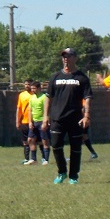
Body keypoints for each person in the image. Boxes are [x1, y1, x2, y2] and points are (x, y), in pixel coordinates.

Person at [43, 47, 92, 184]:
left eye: (69, 56)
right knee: (56, 145)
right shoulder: (55, 77)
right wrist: (45, 116)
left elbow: (88, 97)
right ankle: (62, 172)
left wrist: (86, 115)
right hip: (57, 118)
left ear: (75, 58)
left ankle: (73, 176)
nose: (65, 58)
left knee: (76, 148)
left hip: (75, 118)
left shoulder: (82, 78)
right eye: (64, 56)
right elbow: (48, 97)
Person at [27, 81, 50, 165]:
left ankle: (46, 159)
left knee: (44, 141)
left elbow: (47, 110)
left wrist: (46, 120)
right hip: (34, 122)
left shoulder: (44, 97)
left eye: (34, 88)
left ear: (39, 88)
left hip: (42, 121)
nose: (32, 90)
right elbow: (30, 110)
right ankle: (33, 159)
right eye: (31, 88)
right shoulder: (32, 98)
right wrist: (30, 122)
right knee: (30, 139)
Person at [16, 79, 33, 164]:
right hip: (24, 121)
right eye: (25, 84)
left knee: (37, 140)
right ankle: (27, 158)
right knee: (25, 141)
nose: (27, 86)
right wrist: (17, 121)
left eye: (29, 84)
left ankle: (42, 158)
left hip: (34, 121)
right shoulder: (21, 95)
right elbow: (19, 109)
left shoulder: (35, 94)